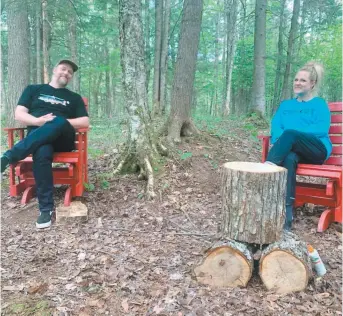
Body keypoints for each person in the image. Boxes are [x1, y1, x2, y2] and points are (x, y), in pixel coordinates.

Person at [1, 59, 90, 229]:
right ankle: (46, 209)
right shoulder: (33, 90)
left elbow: (85, 121)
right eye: (63, 69)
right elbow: (19, 114)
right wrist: (38, 122)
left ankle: (9, 156)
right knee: (41, 152)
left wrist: (59, 122)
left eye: (70, 72)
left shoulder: (74, 98)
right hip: (39, 138)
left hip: (62, 139)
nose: (66, 73)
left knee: (58, 120)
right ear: (55, 70)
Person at [265, 61, 332, 231]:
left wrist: (292, 134)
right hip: (293, 150)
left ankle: (266, 171)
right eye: (296, 79)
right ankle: (287, 217)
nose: (297, 83)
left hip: (316, 150)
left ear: (312, 84)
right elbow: (276, 127)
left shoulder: (319, 104)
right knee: (289, 158)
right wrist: (288, 137)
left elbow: (321, 129)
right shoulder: (286, 105)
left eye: (302, 80)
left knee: (291, 134)